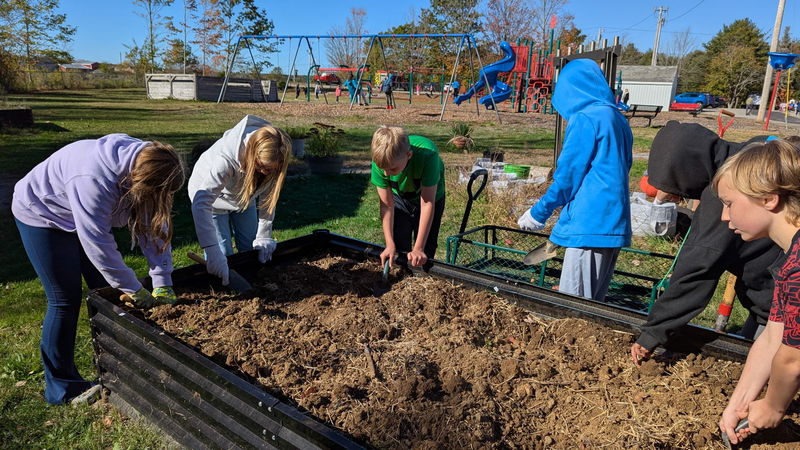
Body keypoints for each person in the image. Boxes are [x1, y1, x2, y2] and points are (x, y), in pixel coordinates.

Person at [12, 135, 184, 404]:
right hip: (42, 213)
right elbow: (98, 244)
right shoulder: (93, 178)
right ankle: (62, 389)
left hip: (79, 210)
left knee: (104, 291)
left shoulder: (146, 161)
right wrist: (133, 288)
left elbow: (154, 228)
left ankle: (118, 366)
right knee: (64, 299)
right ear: (138, 182)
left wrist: (162, 280)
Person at [629, 122, 783, 365]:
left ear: (687, 170)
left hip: (781, 304)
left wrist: (652, 334)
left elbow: (697, 270)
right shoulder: (756, 151)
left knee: (768, 369)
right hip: (769, 287)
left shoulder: (724, 196)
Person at [517, 58, 633, 301]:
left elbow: (568, 176)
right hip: (613, 222)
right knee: (594, 303)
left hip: (588, 225)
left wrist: (539, 212)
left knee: (575, 308)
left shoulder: (587, 118)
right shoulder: (618, 119)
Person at [712, 140, 800, 445]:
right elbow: (774, 337)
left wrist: (774, 406)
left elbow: (793, 359)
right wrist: (740, 404)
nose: (724, 217)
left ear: (768, 200)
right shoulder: (790, 256)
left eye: (729, 203)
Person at [188, 115, 291, 285]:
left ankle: (253, 284)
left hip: (243, 195)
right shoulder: (226, 159)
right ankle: (224, 287)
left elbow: (269, 197)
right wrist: (211, 249)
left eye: (271, 169)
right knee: (223, 254)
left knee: (251, 248)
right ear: (252, 154)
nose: (266, 172)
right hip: (211, 200)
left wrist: (264, 233)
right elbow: (202, 203)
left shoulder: (276, 151)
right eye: (262, 167)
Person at [371, 125, 445, 267]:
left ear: (408, 155)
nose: (386, 174)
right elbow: (387, 205)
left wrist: (418, 248)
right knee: (399, 239)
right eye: (383, 169)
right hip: (400, 195)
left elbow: (427, 203)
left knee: (426, 245)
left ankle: (423, 273)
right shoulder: (381, 161)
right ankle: (402, 271)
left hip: (429, 197)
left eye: (392, 169)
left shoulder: (428, 156)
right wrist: (389, 243)